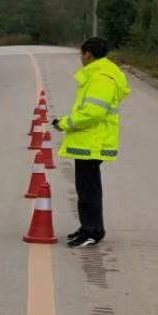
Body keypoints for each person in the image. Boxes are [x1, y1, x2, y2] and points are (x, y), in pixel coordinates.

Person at [53, 37, 129, 248]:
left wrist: (65, 123)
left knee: (88, 190)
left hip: (92, 140)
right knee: (87, 188)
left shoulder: (100, 77)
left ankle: (91, 232)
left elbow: (93, 112)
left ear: (88, 54)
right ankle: (91, 228)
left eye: (81, 54)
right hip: (90, 139)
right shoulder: (102, 73)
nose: (81, 58)